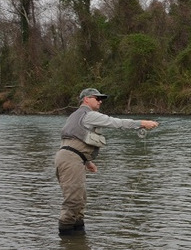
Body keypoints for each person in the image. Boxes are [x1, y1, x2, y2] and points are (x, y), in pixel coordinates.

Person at [54, 88, 159, 236]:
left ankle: (77, 243)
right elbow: (115, 123)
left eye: (100, 99)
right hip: (70, 159)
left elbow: (72, 140)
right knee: (73, 200)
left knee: (80, 200)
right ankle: (67, 241)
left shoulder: (74, 116)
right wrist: (141, 123)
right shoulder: (88, 115)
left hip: (71, 158)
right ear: (86, 100)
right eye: (97, 98)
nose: (100, 101)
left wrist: (86, 161)